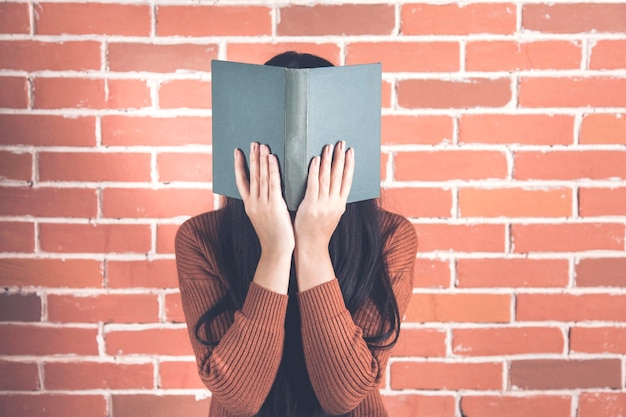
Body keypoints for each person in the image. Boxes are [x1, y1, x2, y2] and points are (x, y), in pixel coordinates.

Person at [175, 51, 417, 417]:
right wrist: (274, 251)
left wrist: (314, 248)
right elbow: (238, 397)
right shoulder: (200, 239)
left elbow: (345, 396)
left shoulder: (391, 238)